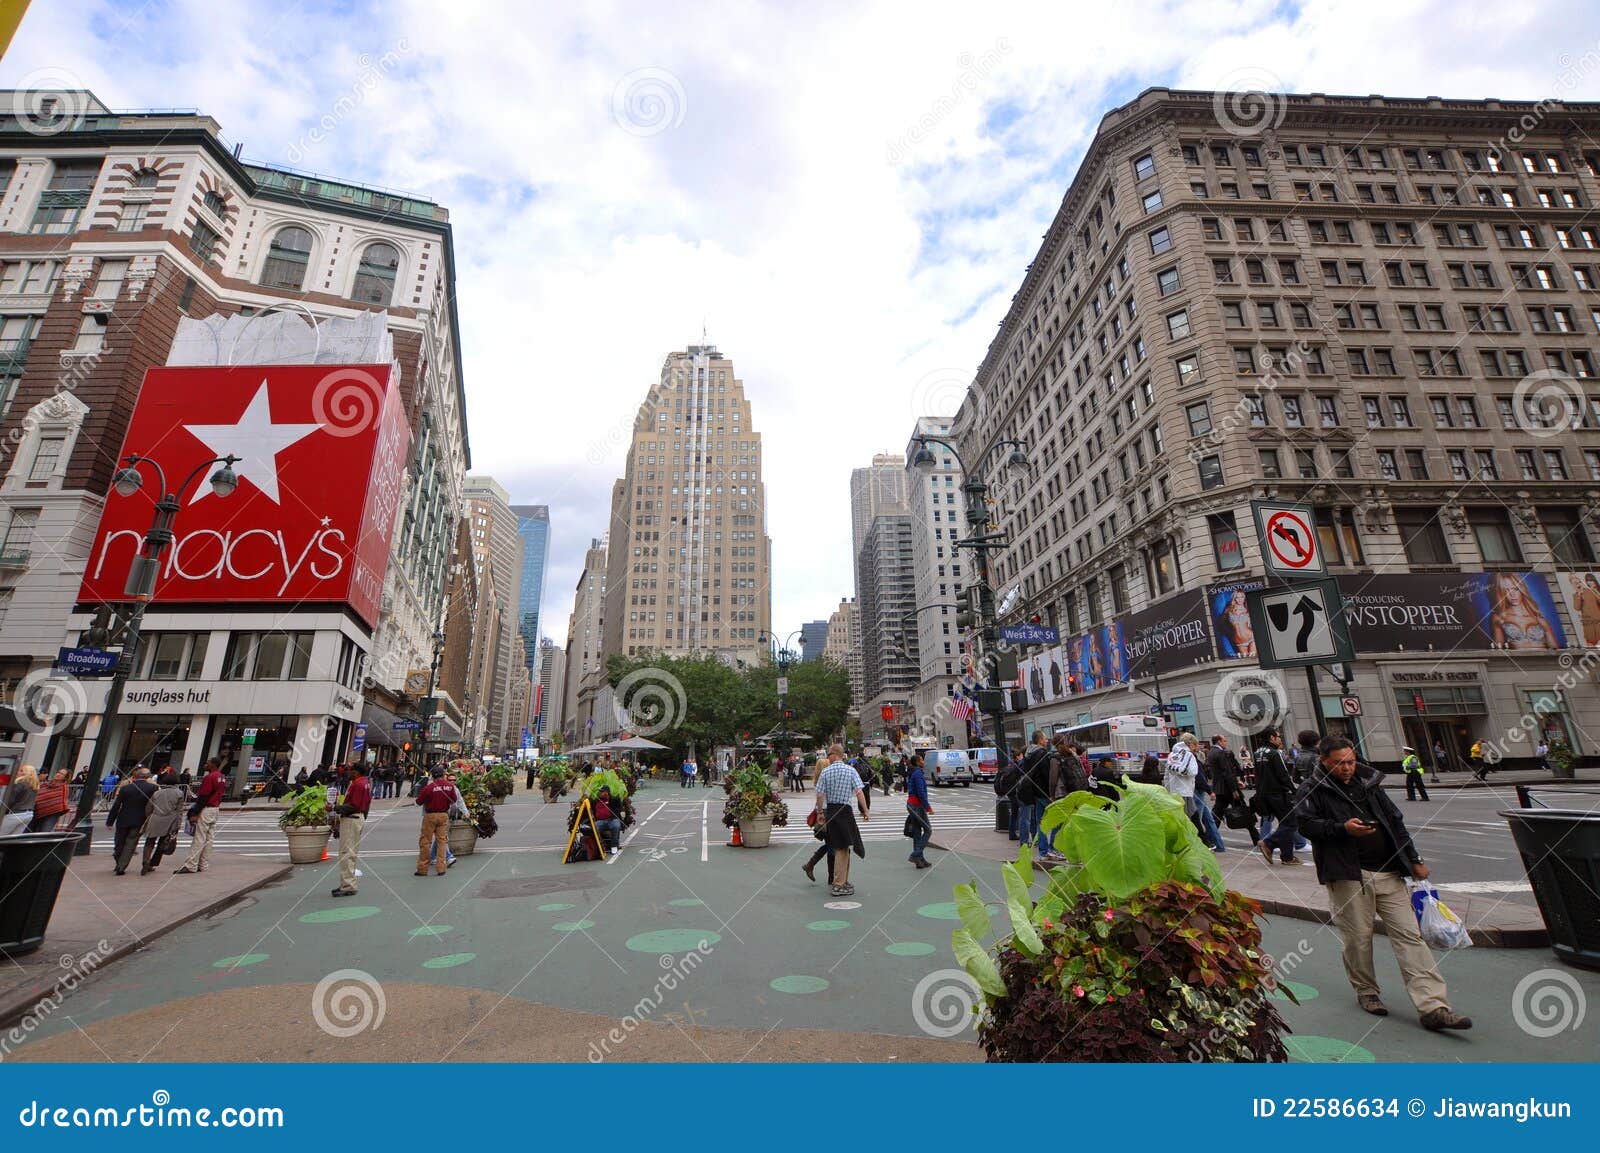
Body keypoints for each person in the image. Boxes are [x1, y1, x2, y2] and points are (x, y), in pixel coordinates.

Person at [1295, 737, 1471, 1031]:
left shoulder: (1370, 783)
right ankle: (1367, 991)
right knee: (1358, 938)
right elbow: (1305, 825)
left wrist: (1413, 859)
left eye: (1350, 762)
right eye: (1339, 763)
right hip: (1349, 875)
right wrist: (1343, 829)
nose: (1347, 768)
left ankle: (1433, 1006)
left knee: (1410, 937)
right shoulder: (1312, 788)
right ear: (1324, 761)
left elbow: (1395, 821)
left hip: (1389, 871)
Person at [813, 744, 869, 898]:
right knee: (843, 848)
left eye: (829, 754)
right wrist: (865, 810)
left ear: (835, 754)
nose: (827, 757)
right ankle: (839, 883)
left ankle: (841, 881)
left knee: (840, 847)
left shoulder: (825, 772)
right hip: (845, 811)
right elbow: (859, 792)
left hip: (832, 811)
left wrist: (819, 812)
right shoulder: (851, 771)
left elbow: (820, 794)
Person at [1253, 730, 1304, 865]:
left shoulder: (1257, 752)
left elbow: (1257, 774)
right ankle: (1268, 843)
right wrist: (1293, 790)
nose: (1280, 739)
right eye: (1278, 737)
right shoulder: (1275, 753)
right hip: (1277, 794)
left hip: (1264, 794)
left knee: (1284, 823)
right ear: (1271, 738)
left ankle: (1287, 856)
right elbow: (1283, 774)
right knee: (1291, 822)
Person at [174, 758, 225, 874]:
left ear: (213, 765)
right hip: (215, 808)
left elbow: (203, 797)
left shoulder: (209, 777)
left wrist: (195, 813)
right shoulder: (221, 777)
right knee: (209, 838)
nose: (205, 764)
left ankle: (191, 865)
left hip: (206, 808)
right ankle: (203, 864)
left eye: (207, 763)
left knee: (199, 838)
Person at [106, 767, 158, 875]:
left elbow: (117, 805)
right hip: (140, 819)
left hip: (123, 818)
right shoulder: (152, 788)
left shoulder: (126, 788)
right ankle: (121, 866)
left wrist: (110, 821)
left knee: (119, 842)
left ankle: (119, 861)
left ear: (135, 777)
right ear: (147, 777)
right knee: (131, 843)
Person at [330, 763, 372, 897]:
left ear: (356, 772)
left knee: (347, 853)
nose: (348, 772)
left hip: (352, 818)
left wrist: (334, 808)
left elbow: (353, 806)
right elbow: (366, 804)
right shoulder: (364, 783)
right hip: (356, 818)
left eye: (350, 770)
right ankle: (347, 883)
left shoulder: (358, 784)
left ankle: (348, 885)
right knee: (350, 853)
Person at [1207, 734, 1257, 845]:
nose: (1226, 743)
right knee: (1244, 811)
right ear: (1219, 741)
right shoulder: (1221, 753)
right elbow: (1227, 772)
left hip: (1219, 788)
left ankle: (1210, 838)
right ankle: (1256, 838)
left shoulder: (1211, 753)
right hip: (1228, 788)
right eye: (1224, 741)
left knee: (1217, 814)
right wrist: (1234, 789)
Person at [140, 770, 186, 875]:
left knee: (149, 842)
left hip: (155, 818)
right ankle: (153, 863)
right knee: (162, 843)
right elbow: (179, 811)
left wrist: (149, 816)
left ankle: (145, 861)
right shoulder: (179, 793)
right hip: (170, 820)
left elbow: (148, 807)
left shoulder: (157, 793)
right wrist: (178, 824)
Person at [1015, 731, 1052, 854]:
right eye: (1045, 738)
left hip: (1034, 792)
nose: (1047, 740)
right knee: (1058, 820)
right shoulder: (1042, 753)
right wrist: (1050, 791)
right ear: (1040, 740)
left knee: (1039, 821)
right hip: (1044, 791)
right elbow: (1046, 774)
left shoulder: (1028, 754)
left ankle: (1043, 850)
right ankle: (1052, 848)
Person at [414, 765, 455, 876]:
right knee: (442, 841)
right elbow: (454, 800)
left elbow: (418, 801)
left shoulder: (429, 787)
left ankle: (422, 868)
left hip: (430, 815)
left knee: (425, 842)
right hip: (443, 815)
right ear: (443, 775)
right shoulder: (450, 786)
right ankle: (441, 868)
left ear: (432, 776)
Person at [801, 754, 836, 884]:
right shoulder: (827, 780)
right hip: (827, 813)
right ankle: (830, 876)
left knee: (830, 844)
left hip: (822, 813)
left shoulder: (818, 781)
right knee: (832, 845)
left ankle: (811, 865)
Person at [904, 751, 933, 869]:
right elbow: (921, 792)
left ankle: (920, 860)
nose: (923, 762)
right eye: (921, 760)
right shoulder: (918, 774)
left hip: (911, 804)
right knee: (928, 830)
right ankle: (915, 855)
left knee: (917, 832)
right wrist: (928, 807)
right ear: (917, 762)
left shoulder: (913, 772)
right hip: (917, 805)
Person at [1162, 732, 1200, 820]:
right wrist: (1183, 771)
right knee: (1190, 817)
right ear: (1191, 744)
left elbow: (1166, 776)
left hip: (1174, 792)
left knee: (1179, 817)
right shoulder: (1189, 755)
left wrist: (1168, 791)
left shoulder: (1172, 755)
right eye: (1195, 744)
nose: (1196, 747)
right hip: (1185, 792)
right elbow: (1193, 772)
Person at [0, 764, 40, 836]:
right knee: (12, 838)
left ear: (26, 773)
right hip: (29, 814)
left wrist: (2, 811)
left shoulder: (19, 783)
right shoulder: (34, 785)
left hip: (16, 814)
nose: (17, 772)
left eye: (21, 770)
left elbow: (10, 800)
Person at [28, 768, 71, 832]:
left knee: (44, 832)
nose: (58, 774)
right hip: (37, 811)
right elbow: (38, 795)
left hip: (52, 814)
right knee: (30, 830)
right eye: (58, 772)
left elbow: (61, 802)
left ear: (65, 777)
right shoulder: (45, 784)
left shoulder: (64, 787)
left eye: (62, 774)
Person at [593, 786, 622, 856]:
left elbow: (619, 808)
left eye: (602, 791)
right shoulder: (597, 800)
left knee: (616, 826)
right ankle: (600, 845)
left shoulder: (614, 799)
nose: (600, 793)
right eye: (600, 791)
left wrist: (613, 814)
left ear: (606, 792)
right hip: (601, 821)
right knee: (594, 827)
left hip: (612, 820)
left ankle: (614, 846)